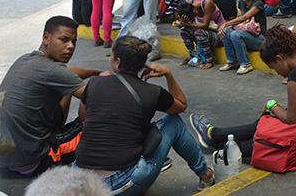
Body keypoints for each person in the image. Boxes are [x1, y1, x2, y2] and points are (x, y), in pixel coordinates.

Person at [73, 36, 214, 194]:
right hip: (121, 184)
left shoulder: (94, 83)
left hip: (82, 182)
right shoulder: (152, 92)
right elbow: (181, 105)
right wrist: (168, 74)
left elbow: (83, 116)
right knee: (173, 121)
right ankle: (206, 175)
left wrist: (97, 86)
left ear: (117, 61)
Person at [190, 25, 296, 157]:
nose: (277, 72)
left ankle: (217, 142)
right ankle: (214, 136)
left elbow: (291, 119)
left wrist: (272, 105)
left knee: (264, 135)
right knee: (263, 123)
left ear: (279, 58)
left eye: (273, 67)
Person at [0, 16, 101, 175]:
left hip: (5, 157)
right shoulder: (52, 70)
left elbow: (69, 74)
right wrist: (100, 80)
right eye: (64, 40)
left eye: (74, 41)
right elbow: (97, 99)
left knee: (67, 89)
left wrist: (95, 72)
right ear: (46, 37)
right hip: (33, 159)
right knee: (99, 127)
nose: (70, 46)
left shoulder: (26, 59)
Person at [218, 0, 267, 75]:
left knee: (235, 34)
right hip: (246, 33)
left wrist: (225, 24)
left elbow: (245, 17)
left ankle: (246, 64)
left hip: (259, 38)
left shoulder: (258, 4)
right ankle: (232, 61)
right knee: (226, 31)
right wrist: (226, 26)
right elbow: (239, 18)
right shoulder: (241, 2)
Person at [175, 0, 225, 69]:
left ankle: (209, 60)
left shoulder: (207, 4)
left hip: (219, 34)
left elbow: (205, 25)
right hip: (207, 33)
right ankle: (193, 56)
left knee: (199, 33)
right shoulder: (190, 3)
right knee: (184, 31)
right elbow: (189, 24)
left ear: (195, 12)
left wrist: (188, 24)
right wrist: (182, 24)